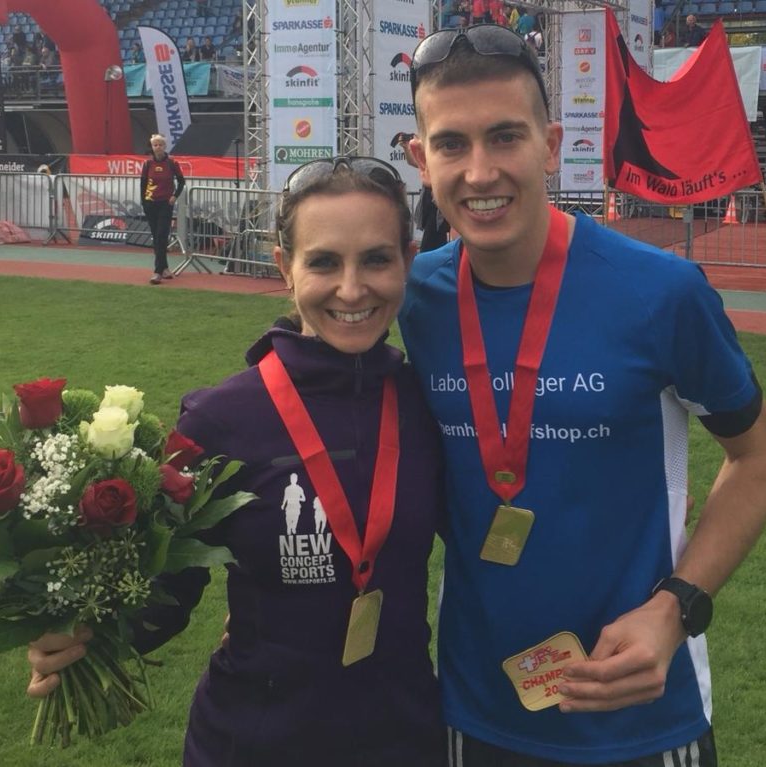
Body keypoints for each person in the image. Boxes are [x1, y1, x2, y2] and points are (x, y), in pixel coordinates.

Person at [401, 24, 766, 766]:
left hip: (641, 712)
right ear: (422, 160)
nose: (480, 172)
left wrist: (675, 611)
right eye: (452, 144)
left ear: (551, 145)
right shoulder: (417, 298)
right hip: (475, 708)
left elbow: (763, 454)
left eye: (505, 137)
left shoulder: (661, 292)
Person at [26, 155, 448, 766]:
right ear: (284, 267)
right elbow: (165, 590)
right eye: (323, 261)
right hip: (255, 739)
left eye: (376, 260)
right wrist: (79, 636)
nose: (351, 289)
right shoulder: (220, 419)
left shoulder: (424, 402)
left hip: (403, 738)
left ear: (408, 261)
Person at [139, 134, 185, 284]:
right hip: (150, 203)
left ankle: (157, 272)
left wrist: (174, 196)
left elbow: (181, 181)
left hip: (165, 204)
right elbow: (143, 184)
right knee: (156, 237)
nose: (157, 147)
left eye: (160, 145)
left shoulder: (172, 163)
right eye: (155, 145)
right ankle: (164, 267)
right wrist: (144, 203)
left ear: (165, 146)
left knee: (161, 235)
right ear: (152, 147)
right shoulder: (147, 164)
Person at [398, 131, 450, 251]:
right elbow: (413, 162)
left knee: (435, 242)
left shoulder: (442, 161)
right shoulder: (427, 161)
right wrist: (406, 147)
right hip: (429, 207)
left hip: (441, 210)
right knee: (430, 242)